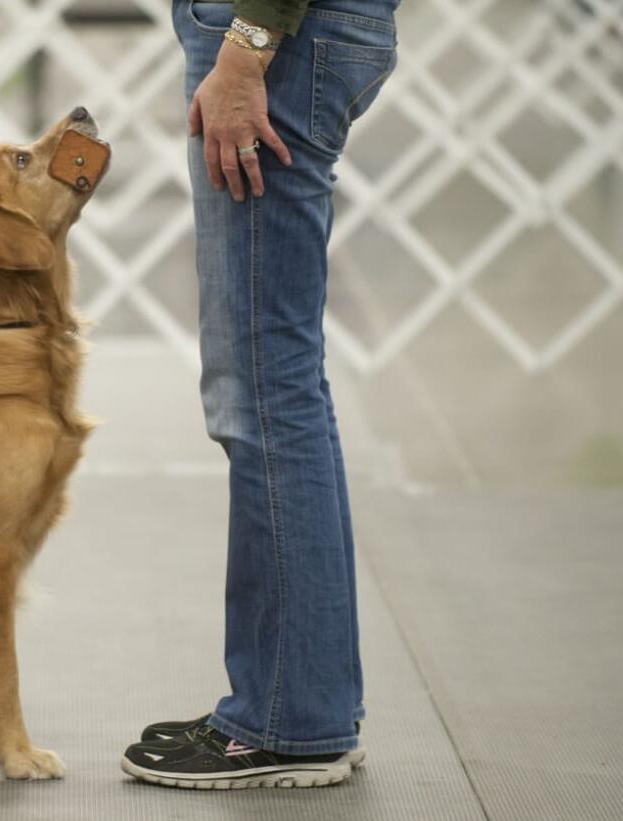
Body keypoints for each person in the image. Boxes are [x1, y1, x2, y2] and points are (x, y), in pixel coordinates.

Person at [121, 0, 399, 789]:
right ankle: (304, 702)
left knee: (264, 387)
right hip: (294, 31)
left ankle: (288, 720)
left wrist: (247, 49)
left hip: (275, 37)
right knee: (279, 379)